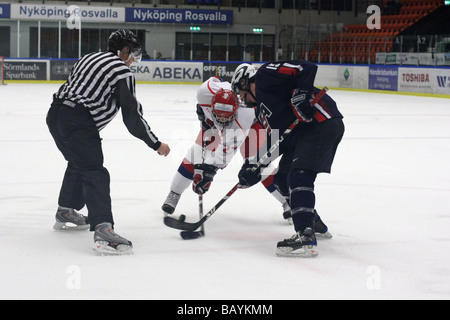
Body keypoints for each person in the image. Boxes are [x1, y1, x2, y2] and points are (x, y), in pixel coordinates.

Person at [46, 29, 170, 255]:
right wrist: (155, 143)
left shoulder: (88, 57)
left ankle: (66, 210)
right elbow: (132, 117)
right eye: (132, 53)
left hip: (55, 115)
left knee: (79, 162)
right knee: (95, 171)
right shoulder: (122, 71)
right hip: (79, 121)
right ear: (123, 51)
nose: (133, 58)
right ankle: (104, 230)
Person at [231, 61, 344, 258]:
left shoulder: (267, 75)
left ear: (248, 83)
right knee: (281, 180)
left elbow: (306, 67)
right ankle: (311, 219)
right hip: (301, 133)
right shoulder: (262, 111)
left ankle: (304, 236)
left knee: (299, 175)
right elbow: (277, 140)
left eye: (241, 92)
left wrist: (300, 94)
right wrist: (253, 165)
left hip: (321, 122)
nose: (242, 98)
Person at [162, 77, 291, 222]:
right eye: (219, 116)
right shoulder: (205, 92)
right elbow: (215, 79)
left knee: (257, 164)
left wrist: (207, 173)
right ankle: (174, 193)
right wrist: (205, 116)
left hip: (254, 124)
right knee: (195, 153)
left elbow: (222, 157)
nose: (222, 120)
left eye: (226, 117)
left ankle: (287, 201)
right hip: (218, 123)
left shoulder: (240, 120)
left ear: (235, 110)